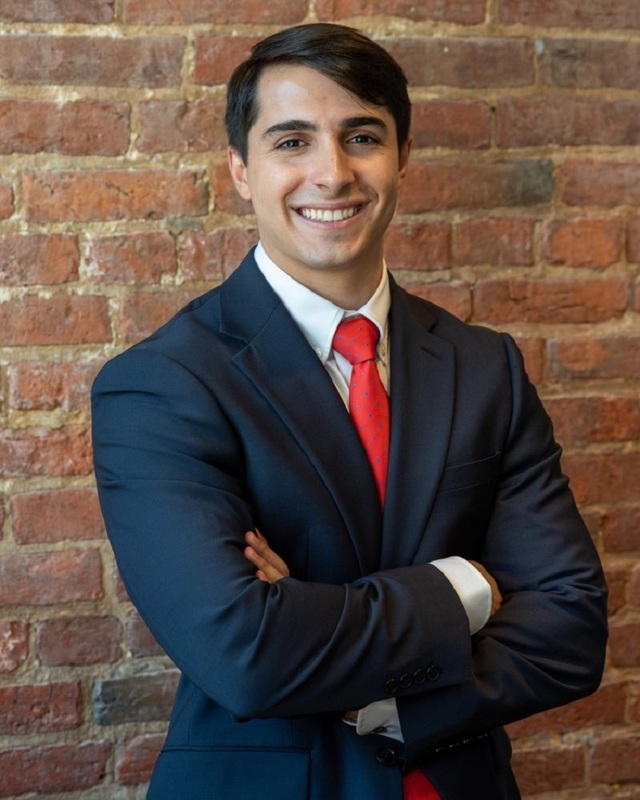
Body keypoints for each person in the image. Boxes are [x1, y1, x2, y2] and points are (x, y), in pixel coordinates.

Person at [91, 23, 608, 800]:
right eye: (292, 142)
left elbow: (571, 627)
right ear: (241, 170)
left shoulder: (484, 366)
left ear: (402, 156)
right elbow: (248, 654)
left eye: (361, 137)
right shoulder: (162, 382)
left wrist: (367, 678)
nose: (332, 174)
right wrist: (467, 586)